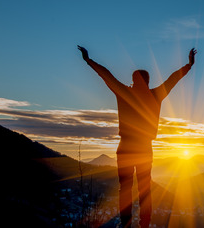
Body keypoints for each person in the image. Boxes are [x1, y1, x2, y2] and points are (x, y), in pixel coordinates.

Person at [78, 45, 197, 228]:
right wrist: (189, 65)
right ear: (148, 82)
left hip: (125, 146)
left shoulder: (125, 92)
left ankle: (125, 224)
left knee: (125, 189)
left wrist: (88, 60)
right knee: (144, 190)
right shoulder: (155, 95)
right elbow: (173, 79)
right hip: (144, 148)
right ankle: (145, 224)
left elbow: (106, 75)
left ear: (134, 80)